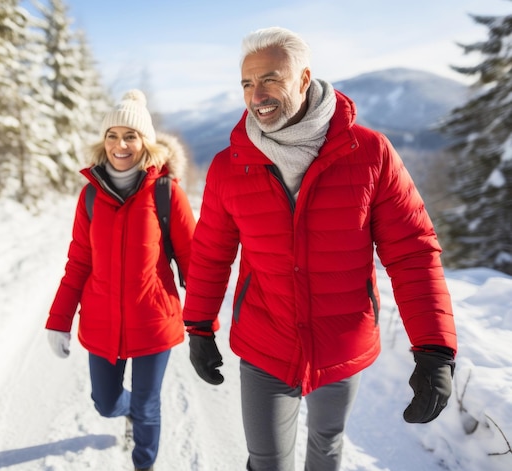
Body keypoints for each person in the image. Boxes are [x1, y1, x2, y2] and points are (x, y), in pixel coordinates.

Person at [182, 27, 457, 471]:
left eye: (270, 79)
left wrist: (434, 348)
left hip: (342, 342)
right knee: (266, 460)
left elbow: (412, 252)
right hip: (264, 339)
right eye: (247, 84)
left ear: (304, 78)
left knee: (327, 446)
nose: (257, 95)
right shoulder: (229, 166)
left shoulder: (369, 153)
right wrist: (198, 327)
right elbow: (211, 254)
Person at [45, 89, 196, 471]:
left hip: (153, 322)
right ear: (104, 141)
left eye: (130, 136)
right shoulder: (90, 197)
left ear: (144, 142)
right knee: (106, 402)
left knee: (148, 405)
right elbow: (78, 262)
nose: (120, 144)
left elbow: (196, 263)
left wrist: (205, 323)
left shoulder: (167, 193)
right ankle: (124, 412)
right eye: (113, 135)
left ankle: (143, 464)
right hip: (101, 321)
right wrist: (58, 320)